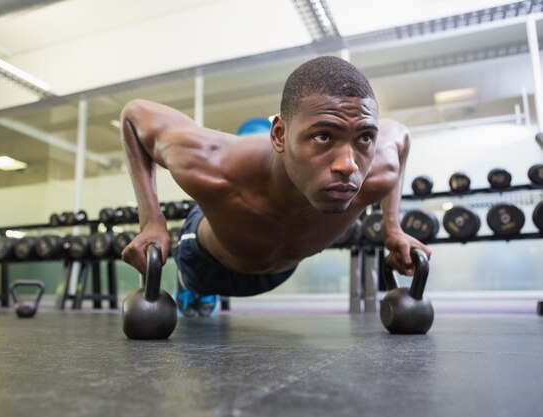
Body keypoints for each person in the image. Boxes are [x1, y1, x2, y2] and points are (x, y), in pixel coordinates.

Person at [119, 56, 431, 317]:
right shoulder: (212, 165)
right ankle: (191, 288)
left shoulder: (378, 171)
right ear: (279, 135)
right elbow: (134, 114)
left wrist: (393, 229)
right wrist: (151, 223)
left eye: (364, 137)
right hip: (205, 264)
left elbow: (400, 135)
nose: (348, 165)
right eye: (324, 136)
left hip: (280, 270)